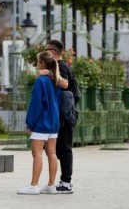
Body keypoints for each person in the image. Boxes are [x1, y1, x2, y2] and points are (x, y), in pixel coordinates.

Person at [17, 50, 62, 195]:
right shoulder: (55, 80)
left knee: (37, 153)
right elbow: (58, 101)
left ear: (42, 63)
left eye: (37, 62)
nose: (37, 64)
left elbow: (36, 104)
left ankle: (34, 186)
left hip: (42, 123)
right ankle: (51, 185)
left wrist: (30, 122)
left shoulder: (40, 81)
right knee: (52, 153)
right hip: (54, 122)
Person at [46, 39, 80, 194]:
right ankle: (64, 181)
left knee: (64, 150)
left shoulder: (61, 67)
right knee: (61, 149)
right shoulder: (64, 66)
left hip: (64, 117)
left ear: (52, 52)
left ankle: (66, 182)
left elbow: (65, 84)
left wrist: (48, 73)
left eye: (46, 50)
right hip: (65, 116)